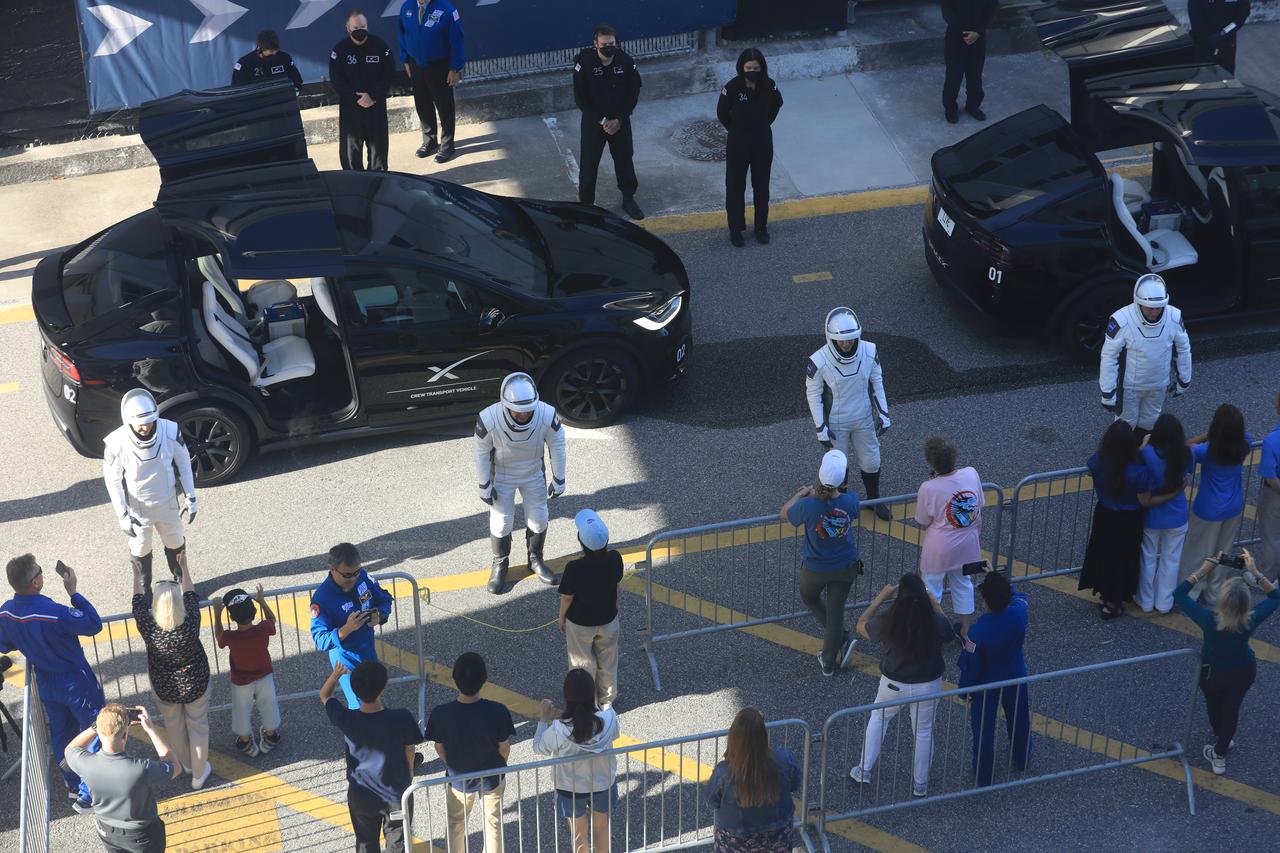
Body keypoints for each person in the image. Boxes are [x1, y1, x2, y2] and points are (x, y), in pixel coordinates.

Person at [0, 554, 105, 813]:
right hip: (75, 681)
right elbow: (93, 624)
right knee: (94, 729)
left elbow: (4, 643)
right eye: (40, 571)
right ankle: (88, 794)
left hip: (46, 681)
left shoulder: (6, 612)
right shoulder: (53, 612)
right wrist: (74, 592)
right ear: (35, 582)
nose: (42, 574)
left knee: (61, 733)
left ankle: (72, 782)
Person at [849, 575, 957, 797]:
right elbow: (949, 632)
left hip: (893, 684)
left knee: (879, 719)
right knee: (923, 731)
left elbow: (861, 626)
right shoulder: (933, 621)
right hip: (927, 684)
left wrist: (880, 598)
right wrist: (934, 602)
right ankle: (920, 784)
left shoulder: (891, 620)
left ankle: (864, 769)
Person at [1177, 550, 1279, 775]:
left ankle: (1222, 737)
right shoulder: (1250, 619)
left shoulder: (1209, 620)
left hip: (1212, 672)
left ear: (1222, 601)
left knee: (1215, 707)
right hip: (1243, 671)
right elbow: (1276, 597)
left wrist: (1204, 570)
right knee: (1232, 708)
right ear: (1245, 605)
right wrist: (1255, 572)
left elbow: (1180, 595)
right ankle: (1220, 752)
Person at [474, 372, 568, 593]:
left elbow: (558, 446)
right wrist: (484, 484)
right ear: (505, 404)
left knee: (539, 518)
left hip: (533, 473)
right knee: (501, 522)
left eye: (527, 410)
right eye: (518, 410)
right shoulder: (488, 418)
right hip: (502, 477)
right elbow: (480, 452)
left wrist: (559, 478)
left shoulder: (546, 414)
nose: (523, 415)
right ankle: (500, 564)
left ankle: (535, 559)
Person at [323, 660, 425, 853]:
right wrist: (409, 772)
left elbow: (325, 695)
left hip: (361, 794)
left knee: (366, 843)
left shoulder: (347, 718)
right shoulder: (401, 717)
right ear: (383, 688)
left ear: (354, 689)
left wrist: (336, 675)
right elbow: (410, 748)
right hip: (396, 793)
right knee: (398, 843)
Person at [102, 388, 197, 593]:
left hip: (169, 504)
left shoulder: (171, 431)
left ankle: (183, 584)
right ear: (128, 421)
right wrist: (122, 515)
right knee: (140, 549)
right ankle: (144, 592)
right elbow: (113, 480)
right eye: (140, 423)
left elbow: (184, 465)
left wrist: (191, 497)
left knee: (176, 543)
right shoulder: (115, 443)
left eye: (149, 421)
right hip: (138, 510)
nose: (145, 427)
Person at [804, 307, 893, 521]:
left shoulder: (870, 350)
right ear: (831, 338)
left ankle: (874, 500)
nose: (846, 344)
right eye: (841, 341)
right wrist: (820, 428)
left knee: (872, 462)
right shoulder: (818, 360)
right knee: (838, 467)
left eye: (851, 339)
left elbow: (877, 382)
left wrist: (884, 413)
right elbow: (813, 394)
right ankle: (839, 505)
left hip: (863, 418)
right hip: (836, 423)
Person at [132, 554, 211, 789]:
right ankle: (199, 773)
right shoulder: (190, 622)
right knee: (198, 725)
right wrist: (184, 568)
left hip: (164, 686)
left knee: (174, 725)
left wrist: (138, 576)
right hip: (196, 682)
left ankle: (186, 763)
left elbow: (137, 603)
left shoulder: (149, 627)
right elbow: (190, 594)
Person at [780, 449, 861, 677]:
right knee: (836, 613)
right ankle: (828, 660)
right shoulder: (852, 501)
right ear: (844, 479)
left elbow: (784, 513)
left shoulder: (808, 505)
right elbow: (843, 502)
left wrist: (802, 494)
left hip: (815, 568)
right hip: (845, 566)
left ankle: (840, 637)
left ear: (819, 474)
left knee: (810, 598)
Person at [424, 652, 515, 853]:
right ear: (484, 680)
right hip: (492, 775)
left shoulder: (441, 713)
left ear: (455, 679)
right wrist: (499, 763)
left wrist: (452, 762)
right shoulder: (498, 710)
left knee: (455, 824)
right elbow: (504, 747)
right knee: (493, 823)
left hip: (458, 778)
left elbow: (439, 747)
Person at [65, 704, 181, 851]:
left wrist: (95, 727)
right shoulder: (139, 769)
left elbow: (70, 749)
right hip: (141, 837)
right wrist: (150, 729)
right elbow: (175, 767)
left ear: (99, 733)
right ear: (125, 735)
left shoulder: (86, 763)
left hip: (107, 831)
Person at [957, 569, 1031, 786]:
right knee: (1019, 719)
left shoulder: (976, 633)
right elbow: (1019, 598)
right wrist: (1000, 579)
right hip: (1015, 674)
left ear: (986, 601)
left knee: (984, 730)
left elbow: (971, 666)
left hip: (986, 684)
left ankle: (983, 774)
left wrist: (964, 690)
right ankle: (1022, 757)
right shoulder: (1019, 614)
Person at [533, 669, 620, 853]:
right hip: (603, 782)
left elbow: (539, 747)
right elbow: (616, 733)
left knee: (578, 834)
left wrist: (543, 718)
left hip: (570, 788)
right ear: (593, 693)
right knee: (602, 829)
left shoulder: (558, 729)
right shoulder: (609, 719)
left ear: (567, 696)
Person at [1099, 274, 1193, 441]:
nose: (1154, 312)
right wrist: (1108, 391)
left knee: (1150, 423)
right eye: (1149, 307)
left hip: (1158, 385)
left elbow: (1183, 349)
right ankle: (1118, 458)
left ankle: (1142, 455)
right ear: (1138, 302)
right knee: (1125, 425)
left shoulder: (1174, 316)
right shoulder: (1121, 320)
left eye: (1158, 307)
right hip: (1129, 388)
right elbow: (1109, 357)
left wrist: (1184, 379)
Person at [1180, 404, 1252, 601]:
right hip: (1234, 506)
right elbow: (1242, 434)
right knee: (1224, 552)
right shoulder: (1245, 443)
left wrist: (1206, 435)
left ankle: (1192, 592)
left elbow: (1187, 447)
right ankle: (1215, 591)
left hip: (1208, 507)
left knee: (1197, 552)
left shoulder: (1205, 451)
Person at [573, 23, 644, 220]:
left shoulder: (626, 61)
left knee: (624, 160)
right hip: (594, 123)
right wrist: (603, 120)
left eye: (611, 43)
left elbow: (633, 93)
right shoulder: (584, 64)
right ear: (595, 44)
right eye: (604, 44)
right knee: (589, 165)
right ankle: (586, 205)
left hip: (620, 121)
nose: (608, 47)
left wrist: (619, 119)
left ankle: (628, 198)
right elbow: (580, 98)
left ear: (617, 43)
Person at [706, 708, 802, 853]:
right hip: (778, 832)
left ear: (733, 738)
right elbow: (795, 784)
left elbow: (711, 801)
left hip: (735, 838)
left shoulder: (723, 772)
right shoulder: (784, 760)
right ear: (763, 736)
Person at [310, 542, 394, 709]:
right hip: (346, 662)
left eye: (356, 572)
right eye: (347, 575)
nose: (354, 578)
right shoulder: (322, 599)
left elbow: (384, 599)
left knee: (374, 700)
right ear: (332, 569)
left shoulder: (362, 577)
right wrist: (345, 630)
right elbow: (320, 640)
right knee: (360, 708)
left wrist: (381, 615)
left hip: (368, 654)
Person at [1079, 421, 1148, 619]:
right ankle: (1115, 601)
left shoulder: (1097, 463)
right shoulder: (1138, 472)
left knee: (1104, 555)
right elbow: (1144, 498)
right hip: (1129, 520)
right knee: (1123, 560)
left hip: (1104, 515)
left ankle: (1104, 595)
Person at [717, 48, 783, 247]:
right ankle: (735, 230)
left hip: (762, 143)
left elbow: (775, 108)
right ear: (741, 68)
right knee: (735, 187)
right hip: (738, 144)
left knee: (761, 187)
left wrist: (761, 126)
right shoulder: (733, 87)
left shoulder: (769, 86)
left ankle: (761, 228)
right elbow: (722, 113)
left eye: (756, 68)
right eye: (748, 68)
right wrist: (737, 130)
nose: (752, 71)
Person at [558, 510, 624, 709]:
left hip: (580, 624)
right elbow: (617, 585)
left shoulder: (574, 568)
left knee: (582, 664)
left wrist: (561, 618)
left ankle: (587, 702)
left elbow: (567, 597)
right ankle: (607, 701)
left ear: (582, 542)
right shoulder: (615, 559)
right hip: (608, 620)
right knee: (608, 661)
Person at [915, 436, 983, 630]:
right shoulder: (972, 474)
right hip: (969, 544)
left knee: (931, 589)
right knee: (964, 585)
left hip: (940, 548)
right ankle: (966, 630)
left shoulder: (928, 488)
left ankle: (933, 631)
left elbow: (922, 521)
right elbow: (979, 504)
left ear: (931, 463)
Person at [1134, 414, 1193, 616]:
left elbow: (1133, 464)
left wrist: (1142, 444)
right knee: (1171, 559)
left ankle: (1145, 600)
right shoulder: (1184, 454)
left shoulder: (1147, 453)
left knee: (1148, 556)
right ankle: (1165, 602)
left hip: (1152, 515)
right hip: (1177, 515)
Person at [213, 585, 281, 757]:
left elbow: (219, 636)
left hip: (241, 680)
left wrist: (217, 613)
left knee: (241, 709)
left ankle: (245, 742)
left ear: (232, 617)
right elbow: (272, 620)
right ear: (254, 611)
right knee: (268, 705)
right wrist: (262, 601)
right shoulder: (262, 629)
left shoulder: (230, 637)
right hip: (264, 674)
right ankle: (270, 737)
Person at [399, 0, 466, 163]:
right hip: (416, 64)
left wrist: (454, 68)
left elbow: (457, 40)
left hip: (439, 66)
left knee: (444, 107)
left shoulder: (447, 9)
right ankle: (430, 141)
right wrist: (405, 60)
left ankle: (447, 145)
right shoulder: (407, 7)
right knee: (422, 104)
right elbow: (402, 34)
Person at [330, 10, 395, 172]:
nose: (360, 30)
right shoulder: (339, 50)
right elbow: (336, 80)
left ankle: (378, 182)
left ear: (367, 26)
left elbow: (389, 74)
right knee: (351, 150)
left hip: (375, 105)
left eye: (363, 26)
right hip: (351, 108)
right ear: (348, 28)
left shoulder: (380, 46)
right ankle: (355, 183)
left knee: (378, 149)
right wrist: (355, 98)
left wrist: (372, 96)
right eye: (355, 27)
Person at [940, 0, 997, 123]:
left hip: (978, 38)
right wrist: (963, 33)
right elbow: (947, 12)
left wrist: (978, 32)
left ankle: (972, 106)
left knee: (975, 74)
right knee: (953, 76)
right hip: (955, 37)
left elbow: (991, 9)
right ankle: (950, 107)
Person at [231, 29, 304, 94]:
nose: (274, 54)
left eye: (276, 50)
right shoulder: (244, 64)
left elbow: (297, 82)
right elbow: (236, 91)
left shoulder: (285, 58)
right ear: (260, 49)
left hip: (281, 101)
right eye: (271, 51)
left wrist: (295, 92)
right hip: (256, 103)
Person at [1189, 0, 1250, 74]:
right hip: (1202, 43)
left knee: (1227, 75)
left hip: (1226, 43)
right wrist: (1208, 36)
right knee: (1203, 75)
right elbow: (1195, 18)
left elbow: (1240, 17)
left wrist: (1224, 33)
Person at [1258, 392, 1280, 581]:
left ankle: (1267, 578)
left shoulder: (1272, 441)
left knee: (1271, 537)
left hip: (1275, 495)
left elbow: (1270, 476)